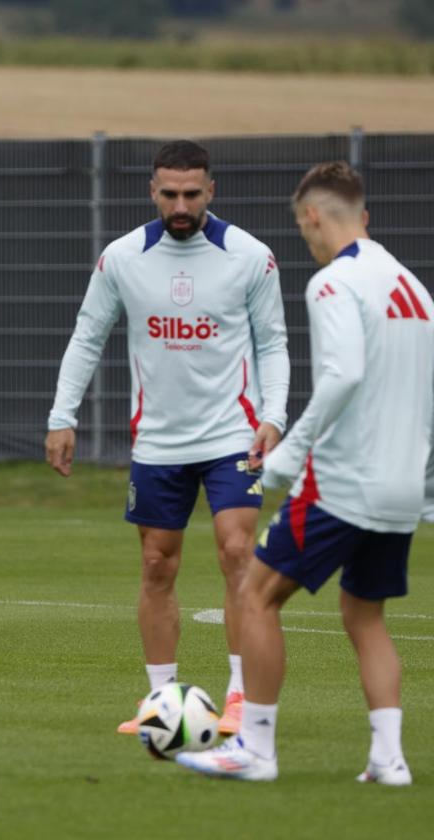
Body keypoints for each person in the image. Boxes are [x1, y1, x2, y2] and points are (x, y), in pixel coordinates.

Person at [177, 162, 433, 784]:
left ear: (313, 216)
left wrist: (288, 457)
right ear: (364, 215)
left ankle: (256, 752)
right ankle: (388, 759)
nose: (307, 238)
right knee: (363, 614)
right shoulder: (414, 288)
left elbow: (343, 375)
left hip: (344, 480)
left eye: (303, 226)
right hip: (402, 485)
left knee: (256, 594)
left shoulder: (332, 284)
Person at [45, 140, 289, 735]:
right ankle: (161, 702)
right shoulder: (123, 258)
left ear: (212, 191)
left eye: (192, 193)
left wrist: (274, 416)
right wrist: (61, 416)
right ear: (152, 192)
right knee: (157, 564)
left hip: (233, 434)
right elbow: (86, 336)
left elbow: (274, 343)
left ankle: (236, 698)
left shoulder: (250, 257)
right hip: (157, 441)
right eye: (170, 193)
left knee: (237, 552)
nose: (181, 204)